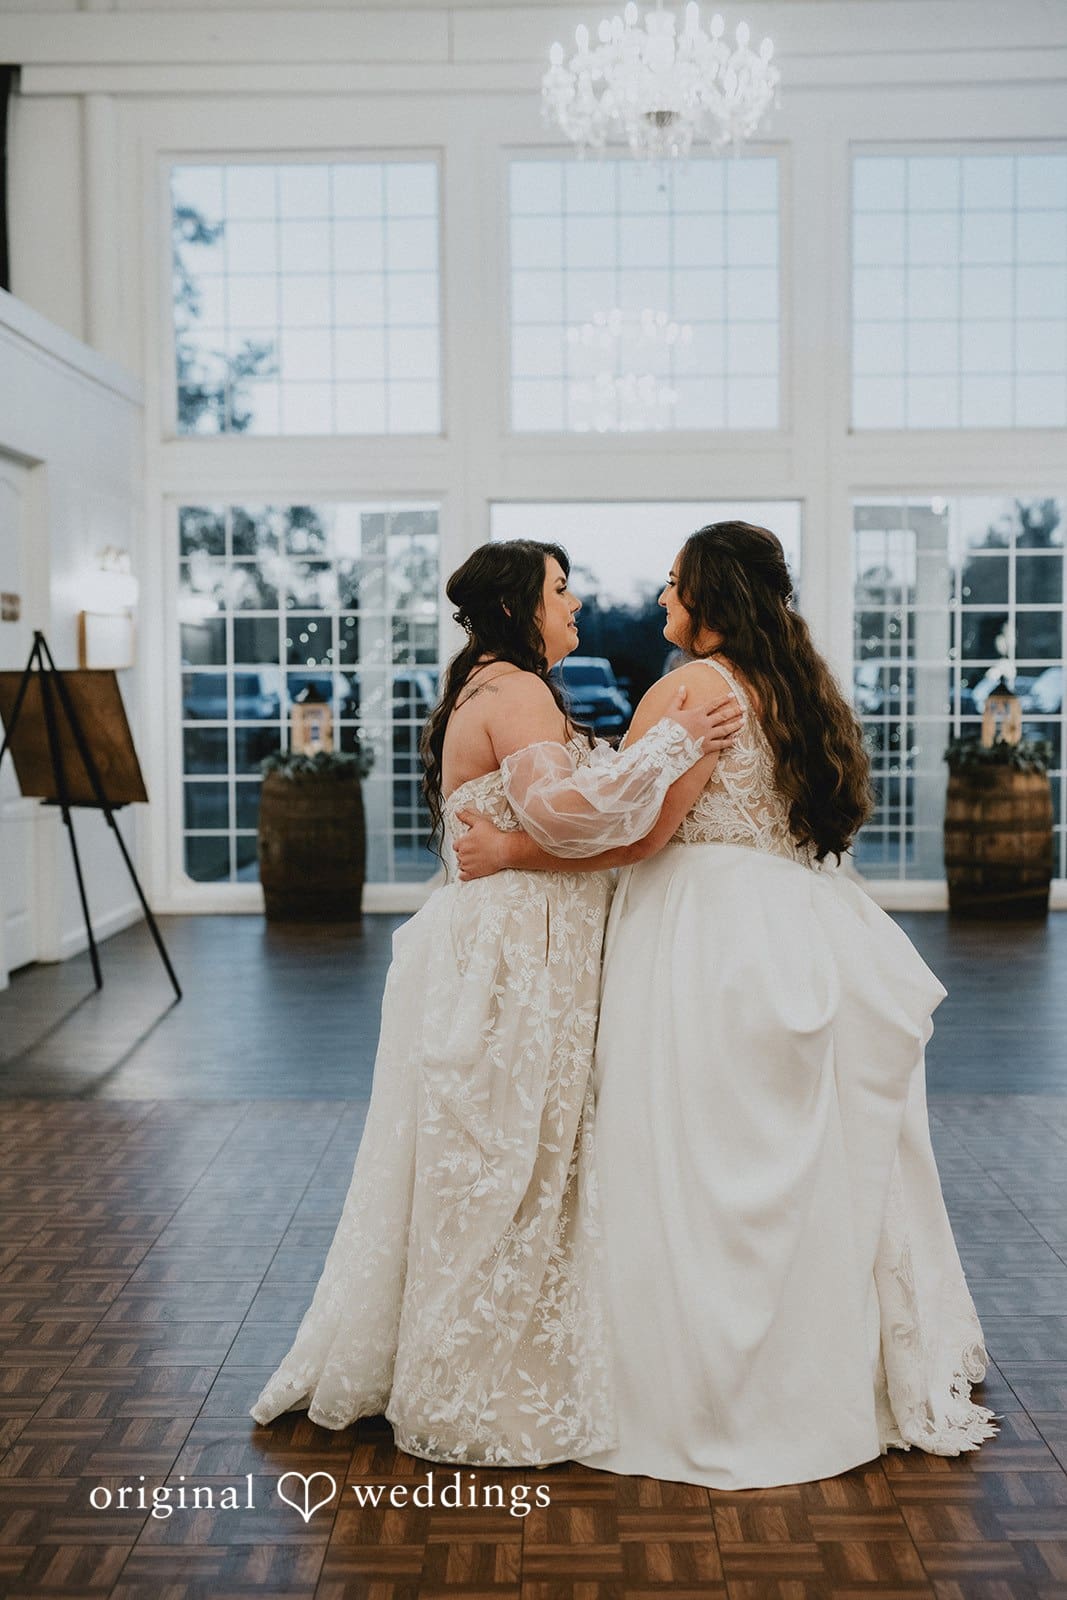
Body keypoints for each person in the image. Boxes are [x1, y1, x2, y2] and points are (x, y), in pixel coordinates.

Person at [455, 521, 997, 1489]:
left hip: (702, 941)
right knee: (799, 1165)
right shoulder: (791, 685)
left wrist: (509, 850)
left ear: (710, 593)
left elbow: (634, 836)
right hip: (797, 929)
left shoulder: (689, 689)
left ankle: (702, 1391)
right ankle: (819, 1372)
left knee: (684, 1159)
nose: (661, 599)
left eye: (674, 584)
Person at [249, 538, 742, 1467]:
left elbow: (561, 800)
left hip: (517, 943)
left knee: (504, 1154)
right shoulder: (515, 692)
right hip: (516, 954)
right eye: (560, 590)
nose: (576, 604)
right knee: (507, 1157)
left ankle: (475, 1354)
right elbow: (561, 816)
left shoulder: (499, 684)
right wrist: (676, 742)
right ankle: (472, 1381)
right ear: (519, 608)